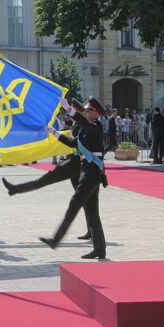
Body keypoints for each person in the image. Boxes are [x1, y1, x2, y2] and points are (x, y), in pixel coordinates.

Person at [2, 100, 93, 240]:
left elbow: (76, 140)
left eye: (81, 110)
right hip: (75, 161)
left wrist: (68, 109)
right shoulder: (77, 125)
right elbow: (71, 140)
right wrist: (54, 132)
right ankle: (91, 230)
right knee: (83, 198)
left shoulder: (85, 124)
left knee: (48, 180)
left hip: (78, 163)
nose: (72, 114)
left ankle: (16, 189)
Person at [40, 96, 107, 259]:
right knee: (92, 213)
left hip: (92, 173)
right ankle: (100, 250)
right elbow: (72, 143)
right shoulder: (87, 129)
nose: (84, 111)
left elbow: (83, 123)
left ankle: (55, 239)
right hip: (88, 171)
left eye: (88, 110)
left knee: (75, 204)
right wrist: (54, 132)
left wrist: (68, 108)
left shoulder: (97, 127)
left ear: (96, 114)